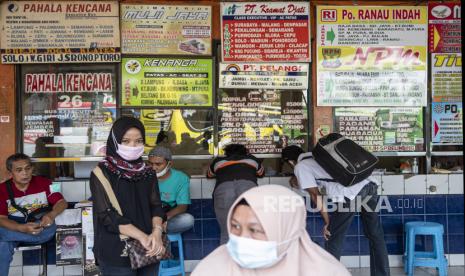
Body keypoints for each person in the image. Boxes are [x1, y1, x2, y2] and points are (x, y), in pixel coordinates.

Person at [192, 184, 350, 276]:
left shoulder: (328, 272)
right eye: (235, 226)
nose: (242, 238)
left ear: (286, 230)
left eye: (255, 230)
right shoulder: (211, 269)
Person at [281, 145, 390, 276]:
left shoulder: (301, 166)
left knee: (333, 236)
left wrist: (328, 222)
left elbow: (315, 195)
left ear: (290, 162)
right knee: (375, 234)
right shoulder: (318, 158)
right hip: (370, 185)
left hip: (353, 193)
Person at [90, 117, 166, 276]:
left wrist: (157, 233)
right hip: (117, 251)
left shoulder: (148, 172)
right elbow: (107, 216)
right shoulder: (101, 173)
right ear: (115, 141)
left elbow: (156, 206)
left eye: (139, 141)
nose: (133, 146)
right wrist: (143, 237)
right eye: (126, 141)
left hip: (149, 249)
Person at [0, 153, 68, 276]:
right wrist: (21, 228)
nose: (25, 173)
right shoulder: (1, 189)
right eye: (19, 170)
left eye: (27, 168)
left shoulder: (47, 182)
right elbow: (2, 219)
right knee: (3, 245)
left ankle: (6, 235)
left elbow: (62, 202)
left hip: (39, 229)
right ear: (11, 172)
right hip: (15, 227)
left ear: (32, 168)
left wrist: (51, 215)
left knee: (3, 235)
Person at [207, 144, 265, 244]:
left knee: (226, 231)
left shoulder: (218, 161)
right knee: (251, 228)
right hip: (247, 189)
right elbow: (261, 173)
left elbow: (209, 174)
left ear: (226, 152)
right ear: (245, 152)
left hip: (224, 190)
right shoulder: (252, 159)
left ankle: (226, 259)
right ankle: (250, 258)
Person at [147, 146, 194, 234]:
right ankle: (155, 230)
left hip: (167, 217)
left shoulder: (181, 178)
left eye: (158, 164)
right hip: (148, 218)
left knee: (187, 220)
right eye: (150, 163)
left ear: (169, 164)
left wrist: (161, 220)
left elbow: (182, 207)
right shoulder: (144, 176)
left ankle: (156, 231)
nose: (153, 168)